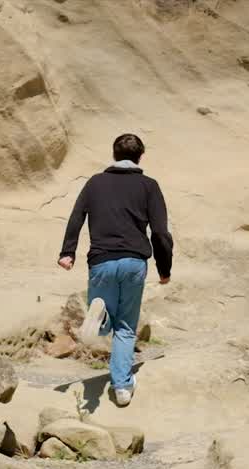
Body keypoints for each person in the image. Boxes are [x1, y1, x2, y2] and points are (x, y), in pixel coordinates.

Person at [58, 133, 173, 408]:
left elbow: (77, 216)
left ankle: (100, 317)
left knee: (104, 319)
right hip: (134, 262)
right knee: (126, 328)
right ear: (140, 157)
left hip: (101, 260)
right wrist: (164, 267)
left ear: (113, 154)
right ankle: (122, 388)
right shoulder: (149, 186)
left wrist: (67, 252)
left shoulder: (95, 183)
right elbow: (159, 232)